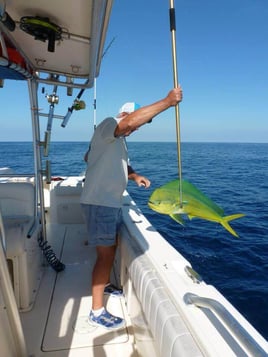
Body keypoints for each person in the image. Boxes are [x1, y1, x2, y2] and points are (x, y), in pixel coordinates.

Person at [80, 86, 183, 330]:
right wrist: (167, 102)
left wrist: (134, 175)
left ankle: (103, 285)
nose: (137, 128)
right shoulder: (109, 124)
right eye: (138, 122)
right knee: (106, 255)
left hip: (108, 202)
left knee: (109, 249)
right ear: (125, 115)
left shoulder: (115, 139)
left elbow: (89, 157)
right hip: (100, 203)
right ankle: (96, 311)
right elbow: (128, 124)